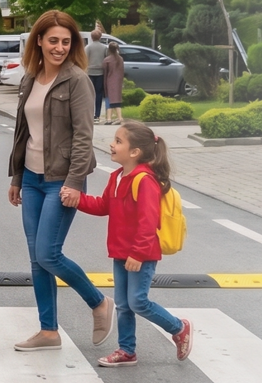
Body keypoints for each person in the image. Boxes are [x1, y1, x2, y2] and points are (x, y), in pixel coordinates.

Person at [7, 10, 114, 352]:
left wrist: (73, 181)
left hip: (61, 181)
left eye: (66, 42)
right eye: (53, 40)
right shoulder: (29, 79)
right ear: (38, 40)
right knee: (36, 258)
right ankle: (48, 331)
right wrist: (17, 177)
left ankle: (98, 302)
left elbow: (84, 136)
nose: (59, 48)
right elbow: (23, 133)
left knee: (48, 254)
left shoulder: (77, 81)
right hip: (33, 180)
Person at [77, 120, 193, 366]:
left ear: (134, 152)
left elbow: (148, 221)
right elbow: (103, 206)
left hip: (141, 254)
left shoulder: (145, 180)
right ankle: (126, 350)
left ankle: (178, 327)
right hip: (121, 252)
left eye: (118, 141)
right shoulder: (118, 176)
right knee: (123, 304)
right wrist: (78, 200)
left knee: (137, 301)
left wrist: (138, 253)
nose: (112, 144)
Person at [83, 21, 109, 123]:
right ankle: (97, 115)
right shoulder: (104, 48)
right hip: (100, 73)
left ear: (92, 37)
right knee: (98, 94)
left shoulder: (88, 47)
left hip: (89, 73)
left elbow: (84, 60)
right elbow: (106, 59)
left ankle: (89, 113)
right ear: (100, 37)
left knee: (89, 94)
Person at [102, 39, 125, 125]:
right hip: (118, 81)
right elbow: (122, 71)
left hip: (109, 81)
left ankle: (108, 118)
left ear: (109, 50)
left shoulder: (106, 60)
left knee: (109, 99)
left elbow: (105, 72)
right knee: (117, 100)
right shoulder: (120, 59)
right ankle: (120, 118)